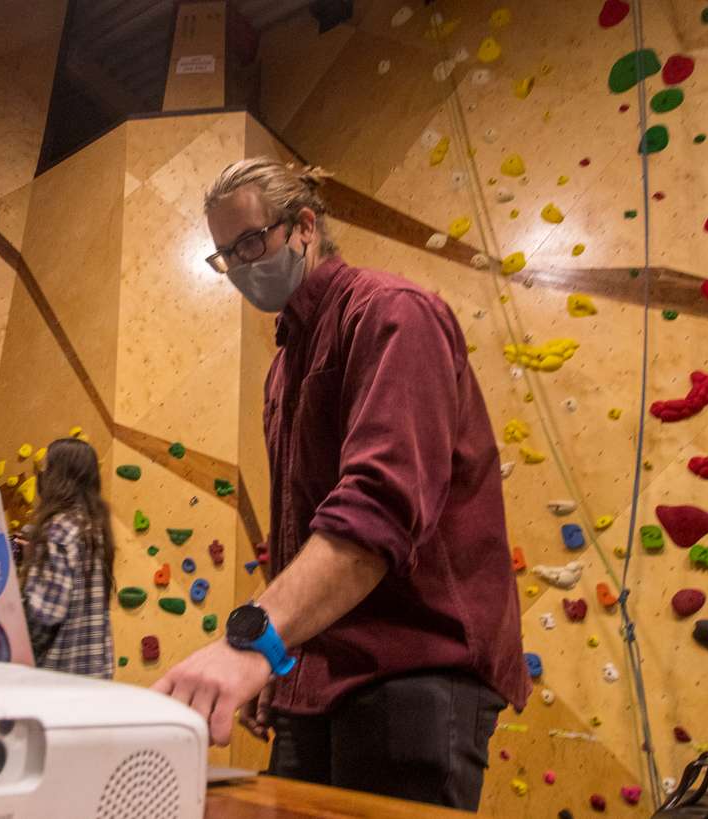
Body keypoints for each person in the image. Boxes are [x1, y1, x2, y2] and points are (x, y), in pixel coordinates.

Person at [152, 157, 530, 810]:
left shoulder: (392, 314)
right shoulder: (283, 369)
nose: (241, 267)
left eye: (250, 243)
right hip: (316, 672)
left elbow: (376, 513)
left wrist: (254, 640)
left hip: (413, 666)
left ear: (304, 227)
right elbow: (300, 532)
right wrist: (281, 650)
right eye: (225, 256)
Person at [19, 437, 116, 679]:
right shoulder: (94, 528)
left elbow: (45, 613)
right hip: (94, 674)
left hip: (56, 677)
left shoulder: (58, 529)